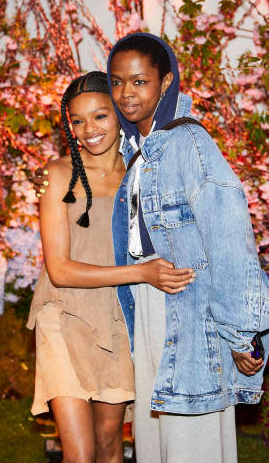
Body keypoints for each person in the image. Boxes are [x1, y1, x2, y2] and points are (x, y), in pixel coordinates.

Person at [35, 34, 269, 463]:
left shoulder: (185, 145)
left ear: (165, 83)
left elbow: (230, 239)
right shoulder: (141, 155)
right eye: (118, 82)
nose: (127, 94)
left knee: (188, 443)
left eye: (139, 82)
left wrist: (245, 333)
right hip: (140, 314)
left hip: (183, 314)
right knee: (153, 445)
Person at [27, 70, 194, 463]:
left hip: (118, 318)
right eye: (78, 120)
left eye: (100, 116)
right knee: (80, 454)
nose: (89, 129)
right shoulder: (56, 176)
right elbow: (60, 271)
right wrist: (142, 273)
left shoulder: (141, 174)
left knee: (109, 445)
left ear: (119, 113)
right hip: (62, 316)